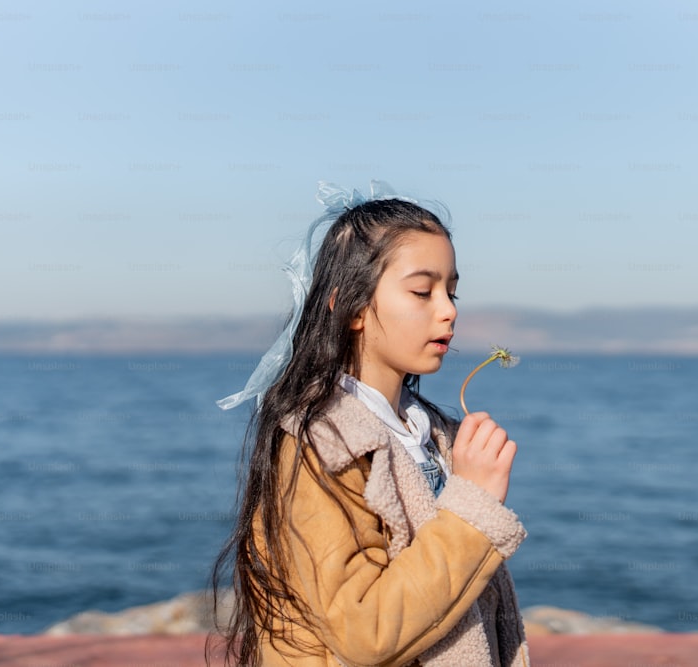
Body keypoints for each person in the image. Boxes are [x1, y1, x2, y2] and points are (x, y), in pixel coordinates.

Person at [211, 182, 529, 666]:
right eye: (422, 291)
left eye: (452, 292)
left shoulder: (429, 432)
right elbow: (366, 632)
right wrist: (474, 506)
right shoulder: (320, 442)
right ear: (352, 306)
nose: (448, 311)